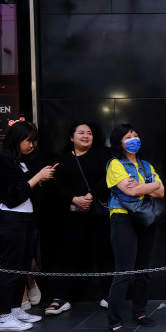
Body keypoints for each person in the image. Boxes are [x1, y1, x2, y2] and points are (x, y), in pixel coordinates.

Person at [45, 122, 113, 315]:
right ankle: (62, 298)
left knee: (105, 254)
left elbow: (109, 178)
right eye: (81, 133)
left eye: (89, 133)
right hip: (72, 215)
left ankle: (110, 295)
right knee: (69, 255)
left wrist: (90, 196)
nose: (86, 136)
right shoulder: (62, 160)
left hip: (99, 213)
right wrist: (74, 199)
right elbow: (55, 185)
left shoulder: (103, 155)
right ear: (71, 137)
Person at [105, 124, 165, 332]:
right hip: (122, 218)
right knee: (123, 272)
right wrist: (150, 186)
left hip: (146, 218)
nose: (133, 139)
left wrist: (140, 187)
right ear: (119, 142)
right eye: (128, 137)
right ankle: (114, 322)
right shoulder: (114, 164)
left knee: (143, 271)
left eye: (136, 136)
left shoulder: (146, 164)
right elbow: (129, 190)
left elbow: (162, 190)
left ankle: (139, 312)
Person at [0, 120, 54, 331]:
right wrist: (36, 177)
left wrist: (37, 180)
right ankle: (4, 315)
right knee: (10, 268)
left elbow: (25, 191)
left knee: (21, 267)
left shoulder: (22, 162)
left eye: (33, 141)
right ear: (16, 140)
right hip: (10, 220)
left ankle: (14, 309)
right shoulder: (4, 162)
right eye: (28, 140)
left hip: (26, 220)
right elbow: (12, 197)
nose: (31, 145)